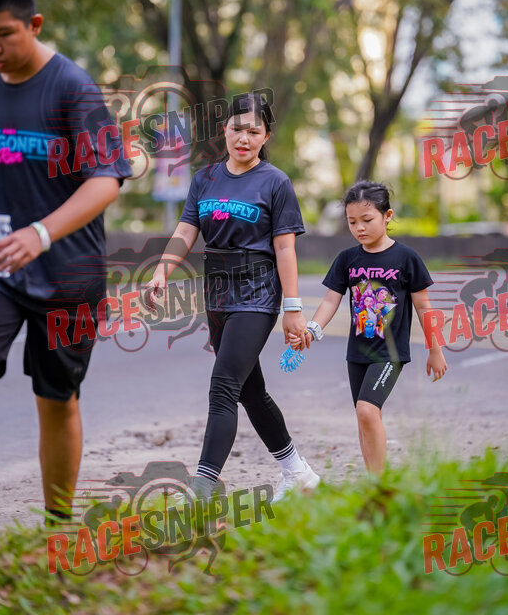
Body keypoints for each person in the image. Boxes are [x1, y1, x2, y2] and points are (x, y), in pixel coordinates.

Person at [0, 0, 131, 520]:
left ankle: (57, 526)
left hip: (68, 272)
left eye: (3, 34)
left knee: (56, 401)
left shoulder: (72, 87)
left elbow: (106, 179)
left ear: (35, 24)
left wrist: (41, 232)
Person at [148, 92, 320, 501]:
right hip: (217, 294)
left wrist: (293, 308)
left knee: (223, 386)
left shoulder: (275, 182)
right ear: (224, 130)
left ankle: (202, 490)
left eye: (254, 131)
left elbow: (285, 249)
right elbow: (186, 230)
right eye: (237, 129)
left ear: (266, 136)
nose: (244, 138)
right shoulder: (204, 179)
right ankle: (297, 471)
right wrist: (161, 270)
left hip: (257, 293)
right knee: (249, 390)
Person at [290, 180, 447, 475]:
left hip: (389, 354)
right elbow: (330, 301)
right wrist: (311, 330)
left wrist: (435, 350)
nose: (359, 228)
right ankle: (374, 483)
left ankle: (380, 483)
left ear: (387, 216)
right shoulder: (347, 259)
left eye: (367, 219)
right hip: (357, 353)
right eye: (352, 222)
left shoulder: (406, 258)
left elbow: (425, 308)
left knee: (366, 409)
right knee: (366, 417)